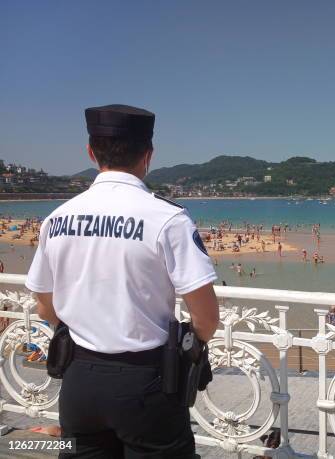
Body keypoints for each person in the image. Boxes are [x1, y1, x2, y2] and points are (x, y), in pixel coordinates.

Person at [25, 104, 220, 458]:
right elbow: (206, 319)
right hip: (146, 381)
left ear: (91, 151)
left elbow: (44, 301)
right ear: (148, 155)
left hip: (79, 378)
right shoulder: (168, 218)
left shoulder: (57, 218)